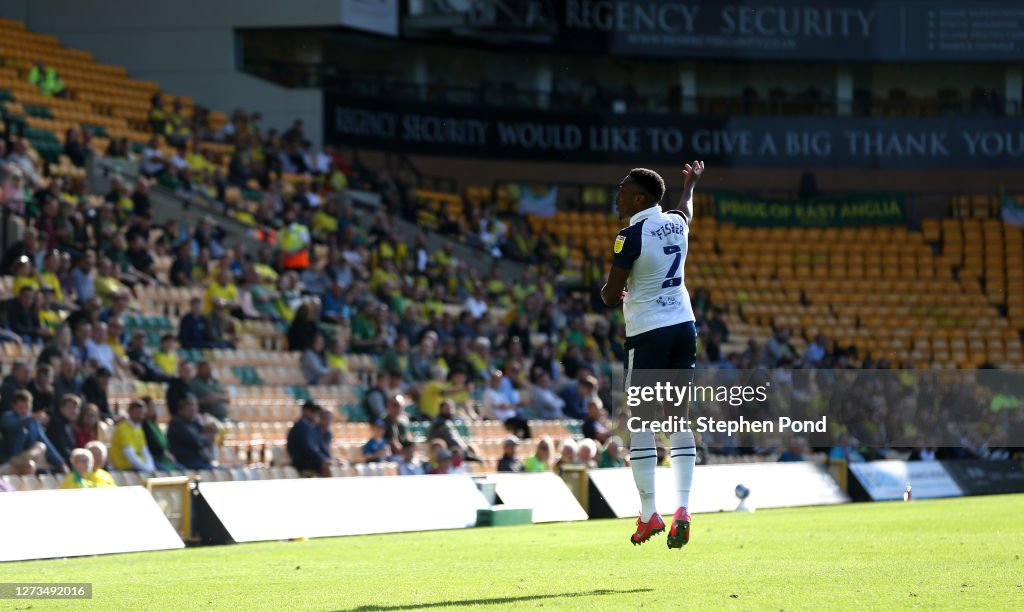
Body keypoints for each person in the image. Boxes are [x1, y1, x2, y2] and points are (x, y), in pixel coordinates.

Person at [599, 161, 703, 548]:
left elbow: (611, 296)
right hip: (684, 327)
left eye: (623, 188)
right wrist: (690, 185)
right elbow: (686, 208)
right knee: (679, 419)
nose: (618, 193)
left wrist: (607, 291)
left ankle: (648, 514)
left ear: (639, 197)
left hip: (649, 333)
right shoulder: (676, 221)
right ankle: (685, 508)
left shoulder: (630, 236)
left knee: (641, 421)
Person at [1, 390, 67, 472]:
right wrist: (32, 418)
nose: (24, 410)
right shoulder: (8, 417)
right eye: (21, 407)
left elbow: (46, 442)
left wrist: (61, 463)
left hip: (26, 462)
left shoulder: (34, 423)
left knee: (40, 446)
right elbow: (15, 424)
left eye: (27, 407)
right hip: (9, 461)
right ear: (14, 406)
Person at [166, 395, 215, 470]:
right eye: (190, 410)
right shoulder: (176, 423)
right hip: (185, 460)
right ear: (181, 410)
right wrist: (206, 437)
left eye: (194, 411)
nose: (193, 413)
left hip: (198, 459)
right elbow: (196, 441)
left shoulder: (194, 422)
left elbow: (209, 434)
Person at [286, 401, 330, 477]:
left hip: (310, 459)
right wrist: (323, 460)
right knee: (326, 467)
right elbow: (308, 448)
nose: (315, 415)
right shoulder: (300, 427)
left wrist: (328, 458)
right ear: (305, 411)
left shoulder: (312, 427)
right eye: (313, 412)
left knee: (332, 464)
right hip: (302, 461)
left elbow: (319, 446)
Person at [109, 399, 156, 472]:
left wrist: (151, 467)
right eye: (137, 412)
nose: (140, 415)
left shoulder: (139, 429)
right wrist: (146, 469)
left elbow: (145, 451)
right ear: (129, 412)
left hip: (137, 468)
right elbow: (131, 456)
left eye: (142, 413)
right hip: (124, 468)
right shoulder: (123, 429)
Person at [142, 397, 180, 471]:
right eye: (150, 406)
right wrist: (165, 453)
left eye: (153, 406)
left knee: (183, 471)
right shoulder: (144, 426)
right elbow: (152, 444)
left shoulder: (154, 424)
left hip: (165, 458)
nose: (153, 408)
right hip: (154, 459)